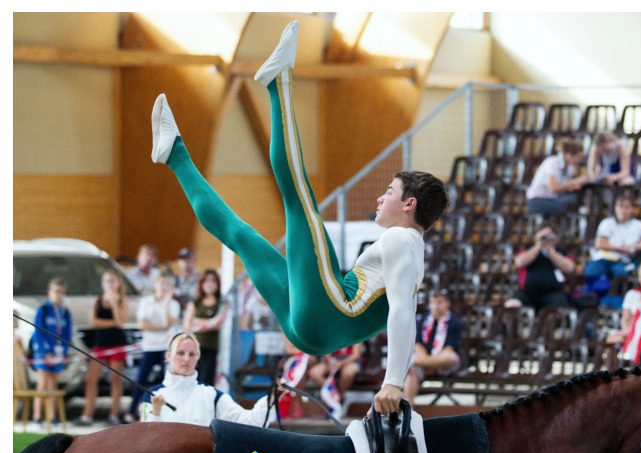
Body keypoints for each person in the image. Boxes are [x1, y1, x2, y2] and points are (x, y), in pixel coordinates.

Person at [151, 20, 449, 415]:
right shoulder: (408, 246)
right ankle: (175, 155)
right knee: (241, 236)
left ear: (410, 205)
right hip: (313, 329)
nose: (380, 198)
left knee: (299, 196)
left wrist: (393, 381)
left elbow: (402, 313)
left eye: (390, 192)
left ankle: (278, 84)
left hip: (327, 313)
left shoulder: (402, 241)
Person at [140, 332, 274, 426]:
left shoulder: (211, 395)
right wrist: (155, 413)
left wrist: (270, 400)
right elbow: (145, 438)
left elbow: (247, 421)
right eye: (180, 353)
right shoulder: (152, 395)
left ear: (198, 358)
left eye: (192, 354)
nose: (186, 359)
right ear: (168, 356)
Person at [75, 269, 129, 426]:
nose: (110, 284)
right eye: (107, 281)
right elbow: (94, 322)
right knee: (91, 379)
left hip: (117, 343)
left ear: (118, 283)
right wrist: (112, 323)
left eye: (113, 281)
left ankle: (114, 415)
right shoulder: (97, 301)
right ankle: (87, 415)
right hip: (100, 344)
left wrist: (113, 303)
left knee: (115, 380)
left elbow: (121, 321)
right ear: (103, 283)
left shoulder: (122, 301)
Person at [126, 273, 181, 423]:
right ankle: (131, 411)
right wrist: (161, 327)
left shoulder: (173, 304)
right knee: (141, 379)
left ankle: (167, 412)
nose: (164, 288)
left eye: (167, 285)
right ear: (155, 285)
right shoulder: (146, 302)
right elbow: (142, 324)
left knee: (167, 381)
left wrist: (165, 305)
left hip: (166, 348)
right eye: (162, 284)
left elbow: (169, 323)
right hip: (150, 347)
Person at [584, 196, 641, 289]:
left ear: (632, 209)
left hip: (623, 261)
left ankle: (614, 300)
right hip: (604, 258)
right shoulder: (607, 223)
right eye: (621, 207)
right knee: (592, 271)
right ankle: (592, 298)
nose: (624, 210)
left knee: (622, 276)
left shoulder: (638, 225)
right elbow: (600, 243)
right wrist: (623, 249)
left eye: (627, 207)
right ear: (615, 209)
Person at [403, 289, 463, 405]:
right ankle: (408, 407)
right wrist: (429, 363)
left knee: (451, 358)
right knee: (411, 370)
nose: (436, 306)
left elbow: (450, 348)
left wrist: (429, 364)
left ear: (447, 303)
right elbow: (417, 344)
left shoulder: (454, 322)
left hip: (442, 363)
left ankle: (425, 365)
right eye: (433, 302)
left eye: (440, 302)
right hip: (423, 361)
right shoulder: (421, 320)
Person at [29, 277, 73, 429]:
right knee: (42, 384)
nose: (59, 295)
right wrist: (45, 352)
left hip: (58, 354)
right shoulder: (44, 310)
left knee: (54, 385)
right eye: (56, 291)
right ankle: (37, 417)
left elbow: (68, 334)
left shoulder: (65, 312)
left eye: (62, 292)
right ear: (49, 292)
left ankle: (53, 417)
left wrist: (63, 351)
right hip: (43, 354)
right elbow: (38, 333)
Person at [504, 224, 575, 311]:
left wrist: (550, 251)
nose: (546, 239)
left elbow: (569, 267)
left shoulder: (561, 251)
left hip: (553, 293)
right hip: (527, 293)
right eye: (544, 236)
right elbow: (519, 262)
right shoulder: (528, 249)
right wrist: (538, 246)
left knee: (562, 308)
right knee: (511, 305)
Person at [183, 268, 227, 386]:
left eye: (213, 281)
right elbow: (187, 325)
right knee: (191, 381)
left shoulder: (222, 302)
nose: (210, 284)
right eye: (206, 281)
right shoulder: (195, 302)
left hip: (211, 348)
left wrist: (196, 321)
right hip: (194, 348)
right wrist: (210, 322)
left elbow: (218, 324)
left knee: (206, 382)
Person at [526, 138, 590, 216]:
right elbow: (553, 188)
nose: (580, 161)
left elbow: (564, 186)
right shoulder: (552, 163)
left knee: (574, 200)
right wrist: (576, 181)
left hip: (552, 198)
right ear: (570, 155)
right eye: (579, 157)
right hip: (537, 200)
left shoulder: (569, 168)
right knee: (567, 207)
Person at [605, 261, 641, 346]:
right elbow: (625, 319)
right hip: (632, 329)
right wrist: (627, 329)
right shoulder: (632, 294)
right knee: (612, 338)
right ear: (639, 278)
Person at [307, 343, 364, 412]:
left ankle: (339, 398)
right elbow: (327, 351)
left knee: (348, 372)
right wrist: (329, 362)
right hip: (333, 361)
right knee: (314, 372)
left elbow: (356, 355)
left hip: (350, 361)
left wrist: (341, 363)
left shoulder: (356, 333)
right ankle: (334, 396)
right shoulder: (331, 333)